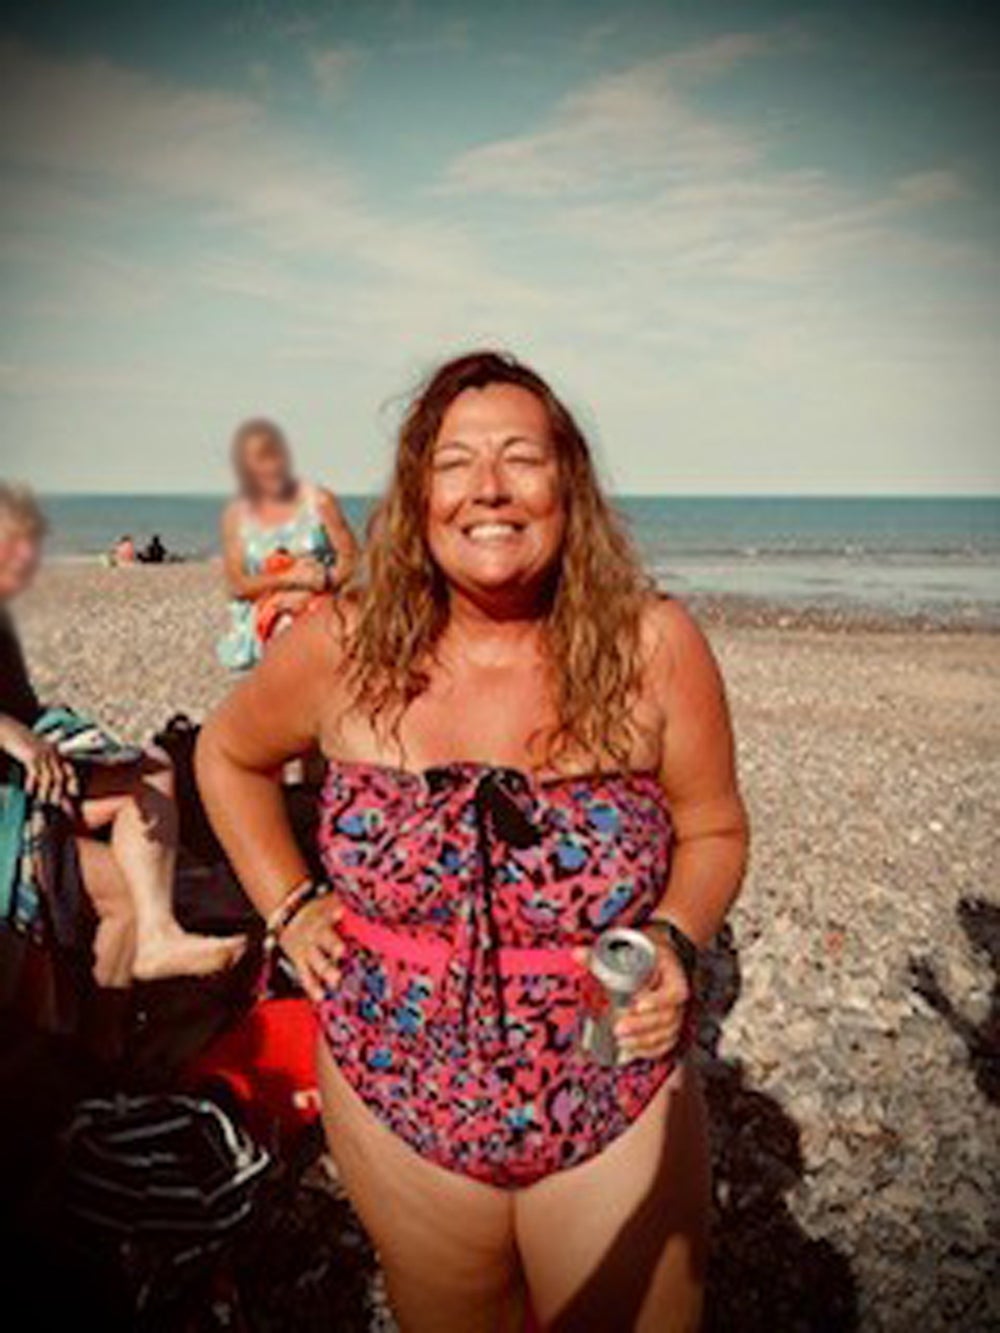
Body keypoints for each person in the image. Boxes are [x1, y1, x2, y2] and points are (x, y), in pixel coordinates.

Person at [197, 352, 749, 1331]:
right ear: (417, 494)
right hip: (391, 1091)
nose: (487, 487)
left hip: (606, 1075)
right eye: (454, 462)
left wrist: (670, 939)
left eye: (519, 458)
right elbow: (227, 755)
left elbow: (711, 827)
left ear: (566, 484)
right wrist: (289, 905)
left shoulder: (653, 645)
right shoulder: (343, 642)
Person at [0, 484, 244, 1029]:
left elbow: (24, 706)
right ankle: (90, 1050)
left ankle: (105, 1059)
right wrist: (15, 736)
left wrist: (54, 735)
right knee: (123, 886)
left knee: (149, 779)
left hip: (24, 780)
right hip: (10, 793)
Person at [217, 418, 358, 670]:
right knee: (284, 633)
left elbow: (352, 561)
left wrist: (319, 582)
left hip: (319, 601)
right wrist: (290, 581)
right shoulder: (237, 516)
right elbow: (237, 585)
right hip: (264, 616)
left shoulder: (320, 502)